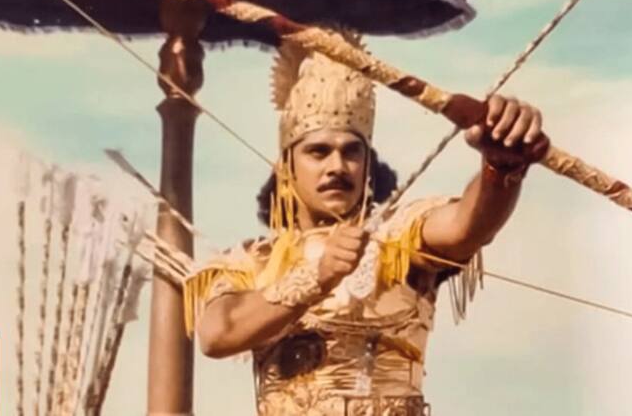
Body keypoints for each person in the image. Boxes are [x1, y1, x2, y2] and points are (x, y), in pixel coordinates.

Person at [190, 41, 545, 415]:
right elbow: (217, 334)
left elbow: (466, 226)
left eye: (351, 151)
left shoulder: (398, 236)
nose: (337, 166)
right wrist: (316, 277)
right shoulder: (249, 261)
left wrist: (500, 169)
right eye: (318, 151)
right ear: (287, 166)